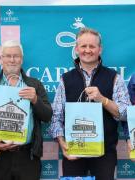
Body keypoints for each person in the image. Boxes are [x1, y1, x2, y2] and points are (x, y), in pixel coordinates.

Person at [49, 28, 131, 180]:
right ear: (76, 49)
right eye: (83, 46)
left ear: (100, 49)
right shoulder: (65, 79)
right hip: (74, 153)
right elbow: (56, 117)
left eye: (92, 46)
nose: (87, 50)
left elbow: (126, 114)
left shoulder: (115, 78)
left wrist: (103, 99)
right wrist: (63, 144)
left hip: (104, 155)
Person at [0, 40, 52, 180]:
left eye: (16, 56)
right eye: (8, 56)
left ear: (21, 59)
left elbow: (47, 116)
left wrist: (35, 100)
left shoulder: (35, 85)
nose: (12, 60)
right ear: (1, 59)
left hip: (27, 157)